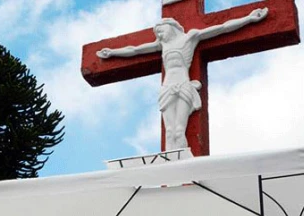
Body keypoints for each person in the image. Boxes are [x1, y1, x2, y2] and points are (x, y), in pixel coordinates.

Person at [97, 8, 268, 151]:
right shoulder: (162, 45)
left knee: (179, 131)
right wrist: (112, 53)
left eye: (161, 31)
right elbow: (135, 50)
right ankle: (171, 167)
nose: (159, 35)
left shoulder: (190, 37)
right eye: (157, 33)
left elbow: (222, 28)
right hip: (167, 88)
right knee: (169, 132)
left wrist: (249, 19)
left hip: (183, 85)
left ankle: (182, 163)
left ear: (170, 27)